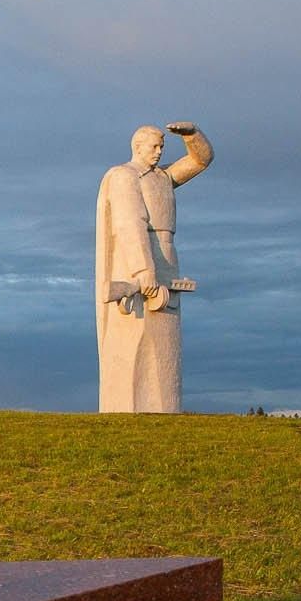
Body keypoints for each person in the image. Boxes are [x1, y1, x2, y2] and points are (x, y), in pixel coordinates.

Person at [95, 121, 213, 413]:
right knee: (138, 338)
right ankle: (131, 407)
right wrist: (142, 270)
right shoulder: (124, 176)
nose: (160, 152)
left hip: (168, 258)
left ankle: (166, 408)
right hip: (138, 259)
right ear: (137, 147)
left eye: (162, 147)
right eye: (154, 146)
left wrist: (192, 135)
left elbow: (201, 160)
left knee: (166, 343)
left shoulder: (163, 177)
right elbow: (129, 222)